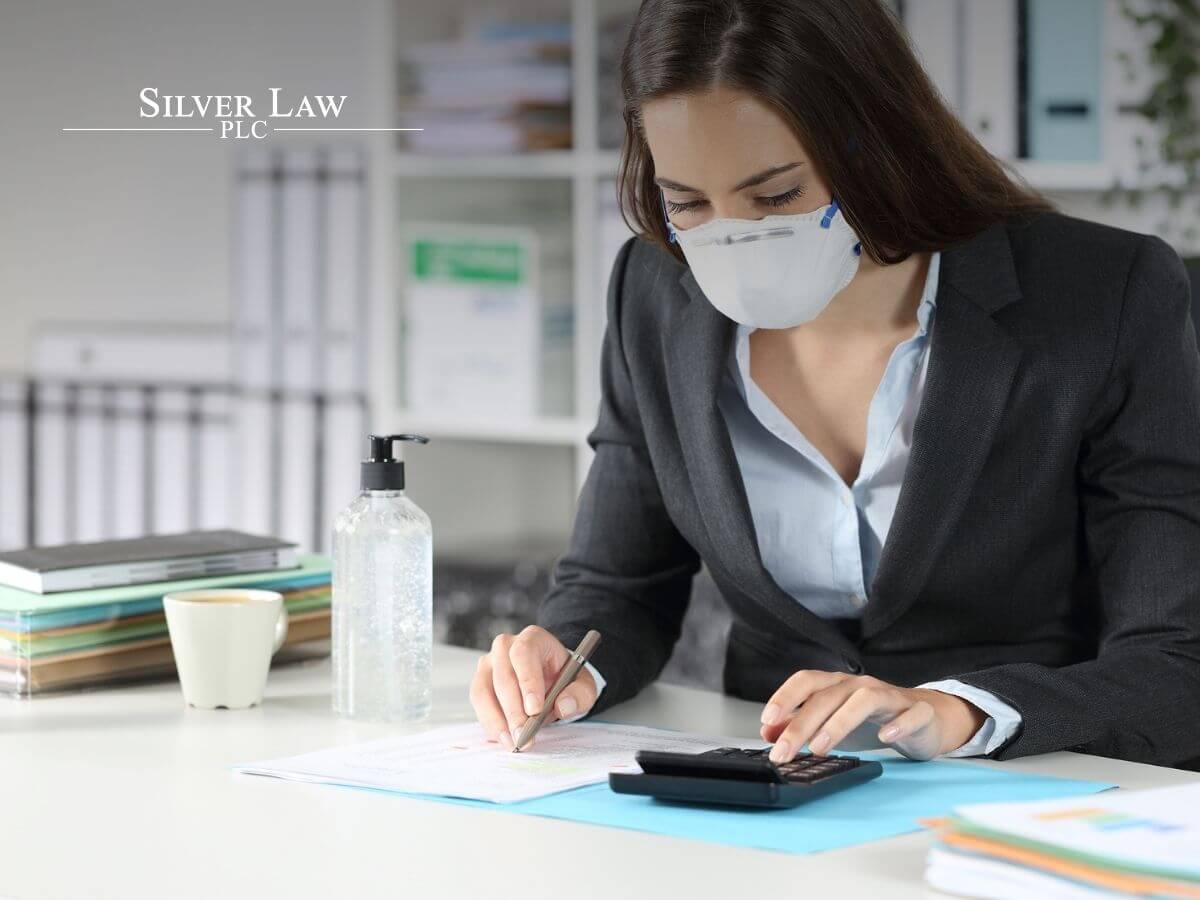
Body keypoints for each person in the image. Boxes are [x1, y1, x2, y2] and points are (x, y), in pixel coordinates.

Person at [469, 0, 1200, 767]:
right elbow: (619, 588)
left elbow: (1177, 661)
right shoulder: (653, 293)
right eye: (687, 202)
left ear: (873, 143)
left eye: (776, 196)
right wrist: (566, 663)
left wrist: (958, 712)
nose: (733, 236)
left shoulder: (1103, 292)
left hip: (1039, 786)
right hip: (773, 791)